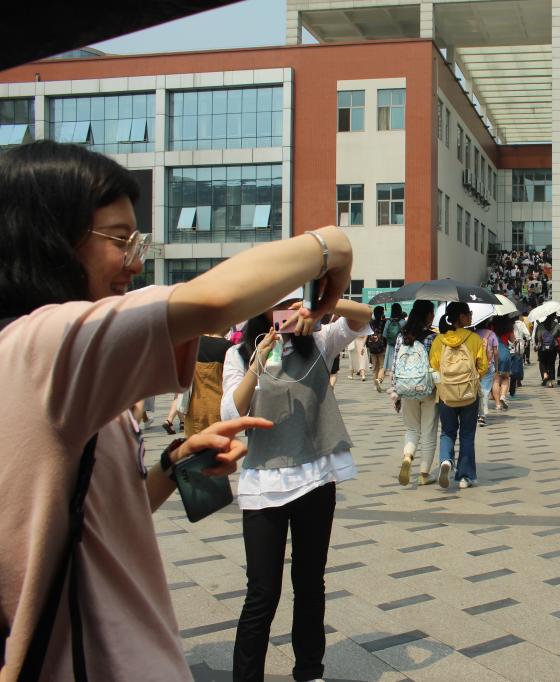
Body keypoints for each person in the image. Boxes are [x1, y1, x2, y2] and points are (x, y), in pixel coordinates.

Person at [0, 140, 355, 679]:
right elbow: (211, 300)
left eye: (137, 240)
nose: (136, 261)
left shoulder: (57, 374)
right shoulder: (38, 348)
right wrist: (331, 245)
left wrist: (172, 466)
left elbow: (105, 518)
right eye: (119, 239)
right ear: (49, 240)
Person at [223, 290, 372, 681]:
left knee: (309, 583)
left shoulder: (318, 343)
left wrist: (321, 306)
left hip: (314, 478)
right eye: (278, 303)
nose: (285, 311)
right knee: (262, 593)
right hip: (263, 483)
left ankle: (309, 671)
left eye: (292, 302)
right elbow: (232, 412)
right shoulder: (238, 354)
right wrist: (258, 361)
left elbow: (363, 315)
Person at [429, 302, 488, 490]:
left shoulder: (439, 340)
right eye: (468, 313)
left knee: (447, 432)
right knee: (467, 434)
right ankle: (465, 476)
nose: (471, 316)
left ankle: (446, 461)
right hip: (469, 393)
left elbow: (434, 366)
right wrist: (473, 379)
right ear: (461, 317)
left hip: (446, 394)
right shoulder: (474, 339)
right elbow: (483, 367)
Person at [395, 300, 439, 487]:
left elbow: (395, 364)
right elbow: (436, 365)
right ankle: (424, 474)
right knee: (428, 432)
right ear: (428, 315)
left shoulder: (402, 336)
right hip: (428, 390)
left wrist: (397, 392)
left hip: (406, 389)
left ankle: (408, 456)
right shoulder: (432, 337)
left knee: (412, 429)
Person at [182, 330, 235, 437]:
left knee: (196, 444)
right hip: (219, 407)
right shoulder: (229, 348)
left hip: (194, 407)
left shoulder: (193, 343)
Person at [475, 317, 499, 426]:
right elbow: (495, 352)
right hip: (488, 365)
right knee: (485, 390)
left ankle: (476, 412)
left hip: (476, 366)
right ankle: (482, 415)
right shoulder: (491, 334)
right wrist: (497, 367)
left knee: (476, 389)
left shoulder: (473, 334)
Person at [366, 305, 387, 391]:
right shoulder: (384, 322)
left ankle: (375, 385)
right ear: (382, 313)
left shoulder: (370, 322)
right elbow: (385, 335)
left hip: (372, 346)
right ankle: (379, 380)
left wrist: (367, 344)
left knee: (374, 367)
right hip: (381, 346)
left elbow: (367, 334)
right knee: (382, 366)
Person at [534, 313, 558, 388]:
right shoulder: (556, 325)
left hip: (542, 346)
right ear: (554, 316)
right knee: (551, 363)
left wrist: (537, 344)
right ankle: (550, 383)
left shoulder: (540, 325)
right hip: (553, 347)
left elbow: (537, 337)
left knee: (542, 362)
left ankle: (544, 374)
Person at [382, 302, 405, 377]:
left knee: (391, 365)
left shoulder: (388, 321)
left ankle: (391, 378)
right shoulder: (403, 322)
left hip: (390, 346)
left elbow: (384, 335)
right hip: (401, 346)